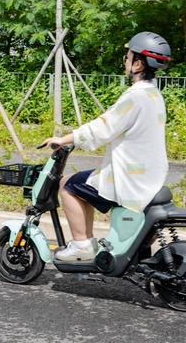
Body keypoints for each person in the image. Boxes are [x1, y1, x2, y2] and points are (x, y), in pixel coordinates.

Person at [40, 31, 171, 261]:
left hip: (129, 178)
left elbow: (102, 128)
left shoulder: (135, 97)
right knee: (85, 183)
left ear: (138, 64)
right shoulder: (154, 95)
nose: (125, 62)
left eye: (127, 58)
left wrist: (63, 139)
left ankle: (82, 245)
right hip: (149, 175)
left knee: (68, 185)